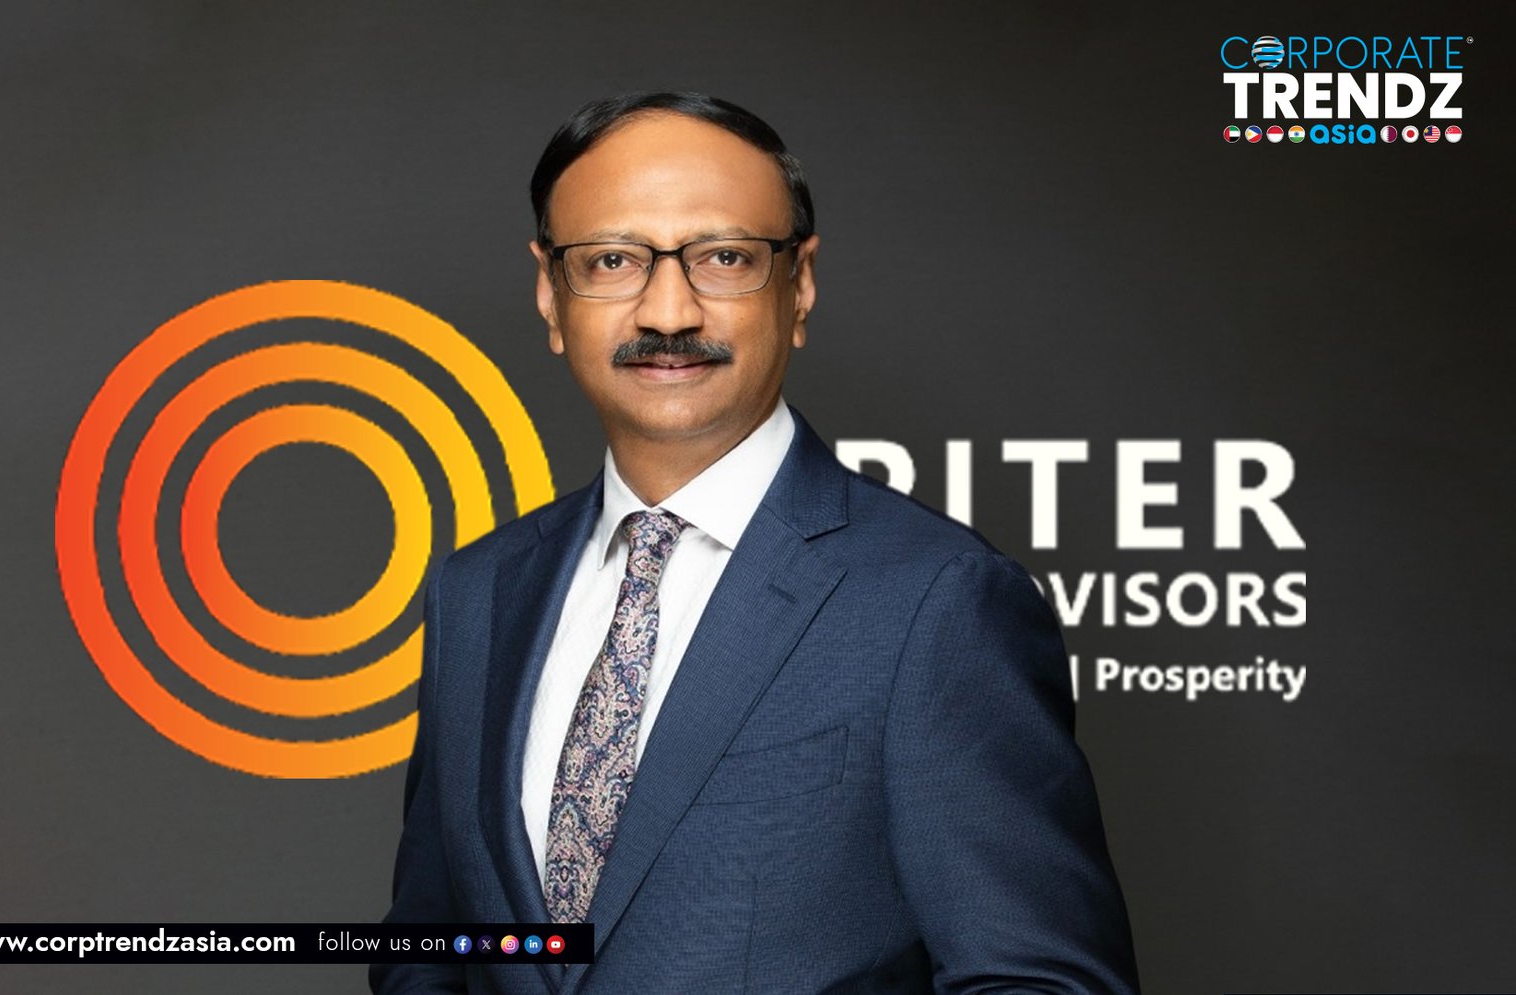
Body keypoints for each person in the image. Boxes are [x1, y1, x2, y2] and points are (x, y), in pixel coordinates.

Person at [372, 91, 1139, 995]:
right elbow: (430, 954)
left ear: (799, 284)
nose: (668, 312)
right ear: (551, 292)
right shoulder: (478, 592)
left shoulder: (936, 601)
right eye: (612, 259)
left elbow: (1043, 982)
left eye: (724, 258)